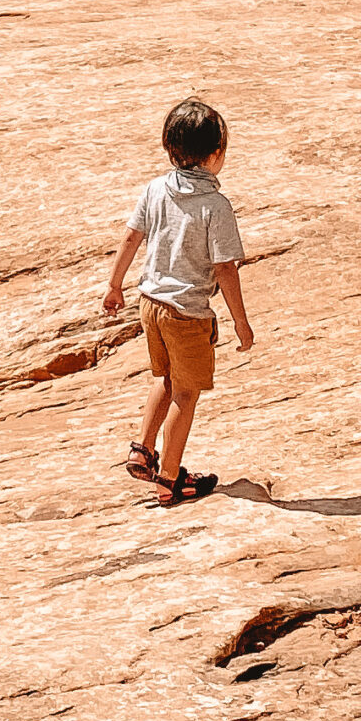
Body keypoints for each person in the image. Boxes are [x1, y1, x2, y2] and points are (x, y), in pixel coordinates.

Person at [103, 98, 254, 508]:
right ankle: (169, 478)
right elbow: (225, 269)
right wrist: (241, 322)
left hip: (149, 303)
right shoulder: (215, 207)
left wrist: (114, 285)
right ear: (216, 153)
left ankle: (143, 449)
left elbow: (131, 237)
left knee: (163, 381)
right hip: (186, 314)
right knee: (186, 395)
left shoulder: (155, 189)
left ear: (170, 148)